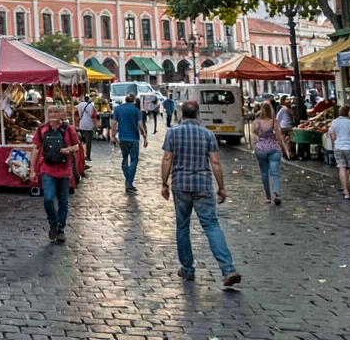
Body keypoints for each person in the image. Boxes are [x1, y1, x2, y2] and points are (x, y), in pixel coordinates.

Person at [161, 100, 241, 287]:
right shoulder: (208, 134)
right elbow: (215, 162)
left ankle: (187, 268)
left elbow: (167, 158)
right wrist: (221, 187)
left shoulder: (172, 133)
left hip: (180, 184)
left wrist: (164, 182)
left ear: (181, 114)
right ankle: (228, 269)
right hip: (203, 185)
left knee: (182, 227)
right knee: (212, 225)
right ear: (198, 114)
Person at [32, 105, 81, 243]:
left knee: (63, 201)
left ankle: (60, 229)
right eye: (50, 112)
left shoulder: (68, 129)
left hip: (64, 170)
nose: (53, 114)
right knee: (48, 199)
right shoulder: (42, 129)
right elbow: (36, 149)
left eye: (55, 111)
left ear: (60, 114)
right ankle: (53, 222)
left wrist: (69, 150)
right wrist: (32, 170)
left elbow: (77, 146)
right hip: (47, 169)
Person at [252, 101, 289, 205]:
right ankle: (276, 193)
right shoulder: (275, 122)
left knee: (264, 173)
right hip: (274, 149)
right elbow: (279, 138)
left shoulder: (256, 123)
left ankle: (268, 197)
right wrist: (285, 150)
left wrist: (255, 146)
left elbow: (254, 137)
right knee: (275, 173)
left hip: (261, 149)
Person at [110, 91, 147, 193]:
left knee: (125, 158)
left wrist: (112, 135)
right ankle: (129, 182)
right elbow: (140, 124)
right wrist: (144, 136)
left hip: (123, 137)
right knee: (134, 160)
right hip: (134, 138)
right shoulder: (136, 110)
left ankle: (127, 179)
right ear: (134, 100)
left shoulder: (118, 109)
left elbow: (114, 123)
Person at [326, 105, 350, 199]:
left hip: (338, 147)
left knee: (342, 168)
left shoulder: (334, 122)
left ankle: (346, 191)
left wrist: (334, 146)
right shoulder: (349, 122)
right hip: (349, 147)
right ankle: (348, 186)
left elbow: (333, 136)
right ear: (348, 112)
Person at [74, 95, 96, 162]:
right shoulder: (90, 106)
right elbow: (92, 115)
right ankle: (88, 156)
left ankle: (81, 155)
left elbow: (78, 114)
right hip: (89, 124)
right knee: (88, 141)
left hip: (82, 123)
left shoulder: (79, 105)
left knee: (81, 141)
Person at [290, 95, 311, 160]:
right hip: (302, 124)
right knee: (304, 141)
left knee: (301, 141)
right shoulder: (300, 107)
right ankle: (305, 153)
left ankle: (301, 153)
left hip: (301, 124)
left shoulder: (296, 107)